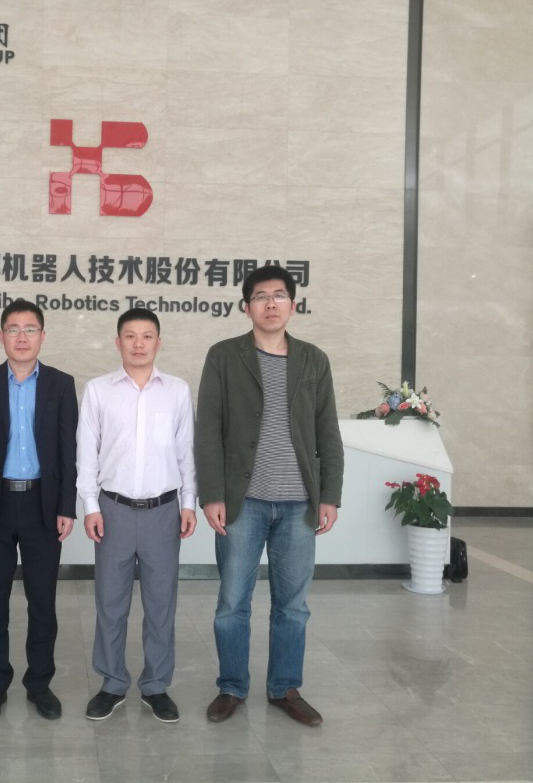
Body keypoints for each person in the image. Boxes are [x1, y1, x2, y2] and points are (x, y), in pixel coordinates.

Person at [195, 264, 343, 726]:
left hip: (299, 504)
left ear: (293, 305)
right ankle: (231, 687)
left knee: (293, 605)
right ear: (247, 307)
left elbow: (327, 431)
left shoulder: (313, 360)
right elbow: (208, 429)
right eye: (261, 296)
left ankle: (285, 688)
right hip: (243, 502)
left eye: (279, 295)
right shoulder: (224, 356)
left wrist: (330, 495)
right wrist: (211, 494)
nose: (271, 303)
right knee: (232, 603)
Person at [0, 299, 78, 723]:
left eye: (30, 329)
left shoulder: (61, 384)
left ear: (43, 336)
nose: (22, 336)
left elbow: (68, 449)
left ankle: (39, 684)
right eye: (13, 329)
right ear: (1, 336)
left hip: (43, 505)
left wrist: (67, 507)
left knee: (42, 601)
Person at [77, 308, 197, 724]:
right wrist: (90, 507)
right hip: (113, 510)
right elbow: (86, 455)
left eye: (147, 336)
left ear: (158, 343)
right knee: (111, 604)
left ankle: (156, 685)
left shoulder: (177, 391)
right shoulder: (98, 391)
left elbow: (186, 452)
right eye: (130, 336)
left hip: (163, 511)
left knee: (161, 604)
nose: (139, 343)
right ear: (118, 342)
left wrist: (188, 502)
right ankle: (112, 683)